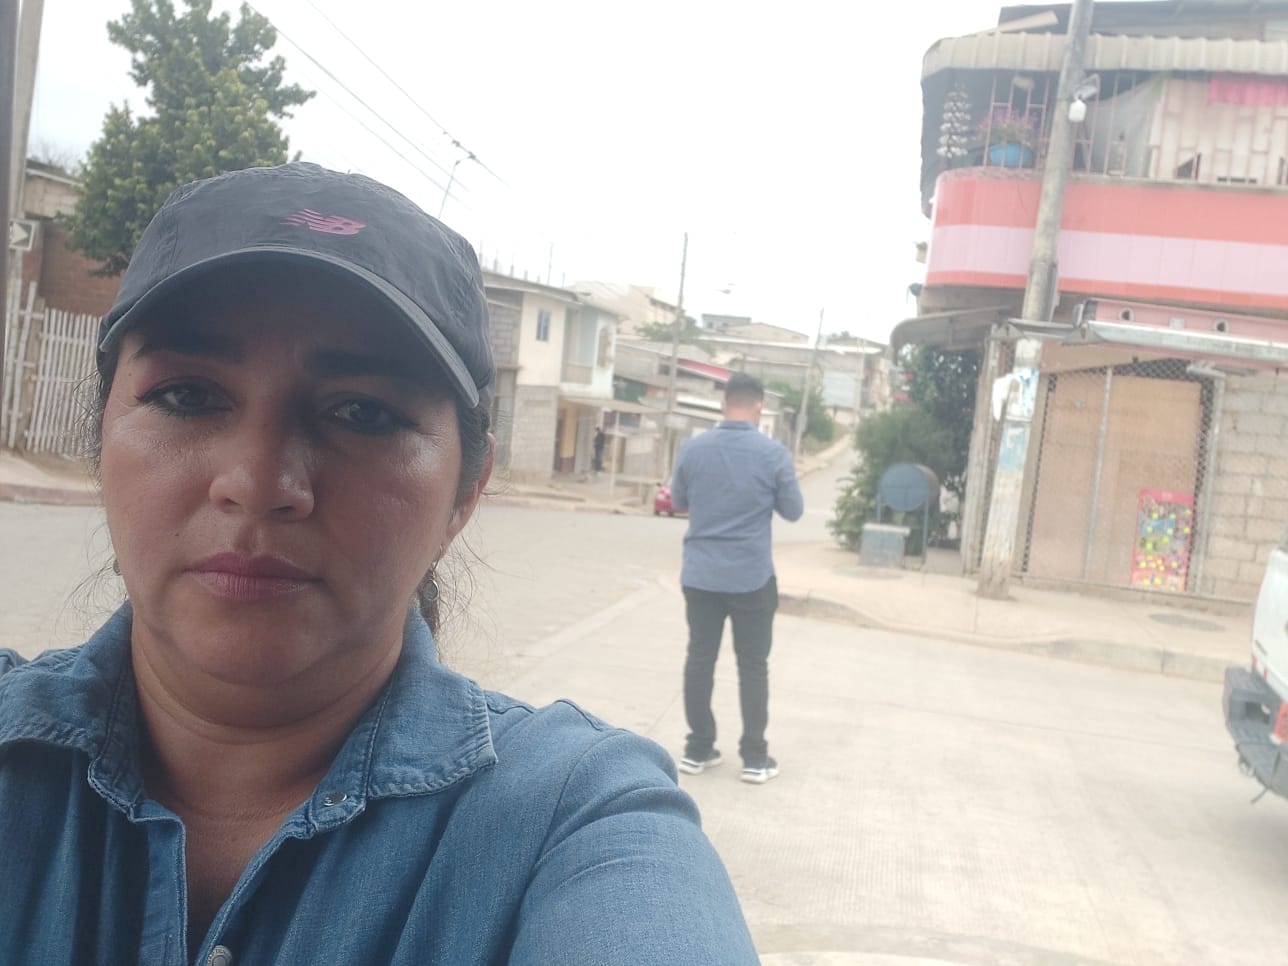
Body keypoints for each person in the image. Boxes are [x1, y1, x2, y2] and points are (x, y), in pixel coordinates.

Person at [0, 163, 759, 964]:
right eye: (188, 395)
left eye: (362, 412)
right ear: (102, 438)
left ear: (465, 494)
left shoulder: (577, 824)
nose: (258, 483)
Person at [669, 373, 804, 785]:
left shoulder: (693, 449)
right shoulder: (773, 454)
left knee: (700, 659)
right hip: (751, 577)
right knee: (753, 666)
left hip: (701, 574)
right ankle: (755, 758)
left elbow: (677, 501)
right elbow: (794, 511)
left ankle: (698, 748)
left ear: (723, 403)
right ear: (759, 405)